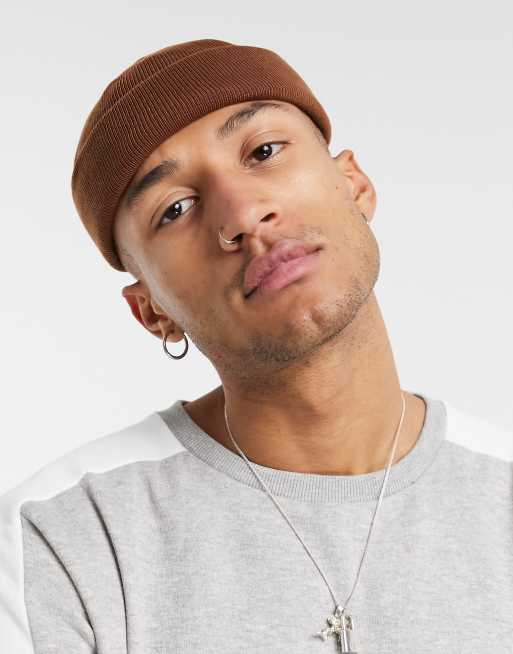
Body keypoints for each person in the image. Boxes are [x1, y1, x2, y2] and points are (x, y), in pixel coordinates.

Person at [1, 38, 512, 654]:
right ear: (151, 310)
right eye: (176, 208)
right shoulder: (62, 538)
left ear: (354, 184)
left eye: (264, 152)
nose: (242, 215)